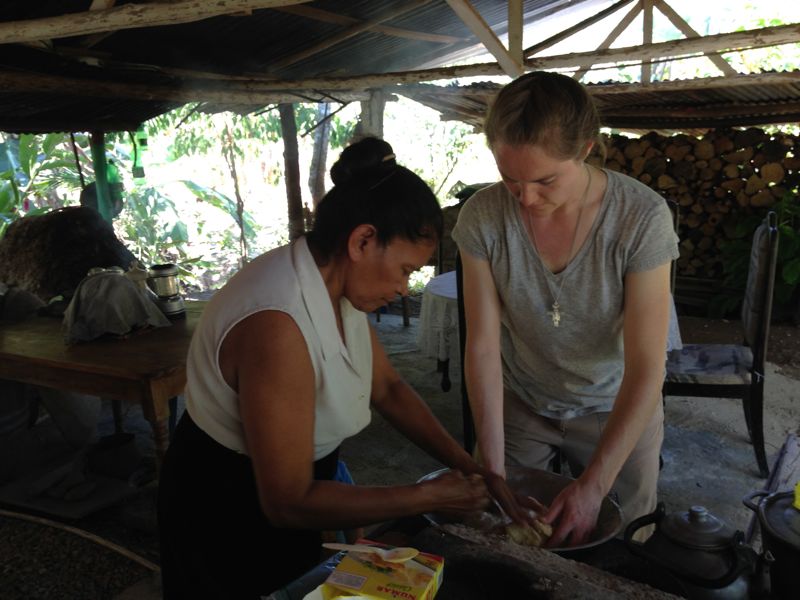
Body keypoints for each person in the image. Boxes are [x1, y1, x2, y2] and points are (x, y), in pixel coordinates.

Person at [157, 137, 490, 599]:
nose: (402, 287)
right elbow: (288, 501)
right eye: (405, 269)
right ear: (363, 240)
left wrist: (468, 467)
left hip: (299, 491)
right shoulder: (278, 324)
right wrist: (427, 496)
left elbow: (389, 388)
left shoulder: (334, 283)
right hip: (225, 505)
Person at [451, 71, 679, 548]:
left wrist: (594, 486)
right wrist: (491, 466)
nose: (527, 198)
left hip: (615, 405)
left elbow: (646, 366)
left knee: (623, 542)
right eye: (509, 180)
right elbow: (483, 347)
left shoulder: (641, 218)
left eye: (545, 180)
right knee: (494, 529)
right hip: (523, 400)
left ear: (587, 150)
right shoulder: (483, 217)